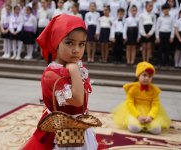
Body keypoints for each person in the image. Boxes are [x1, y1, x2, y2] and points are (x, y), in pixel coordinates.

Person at [22, 14, 97, 149]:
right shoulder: (52, 74)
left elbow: (83, 101)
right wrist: (74, 71)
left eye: (82, 44)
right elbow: (77, 99)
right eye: (69, 43)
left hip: (79, 127)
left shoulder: (79, 66)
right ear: (56, 42)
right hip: (59, 132)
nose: (76, 50)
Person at [113, 61, 171, 134]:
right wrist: (138, 116)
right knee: (134, 128)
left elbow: (155, 105)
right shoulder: (132, 88)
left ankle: (147, 125)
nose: (147, 78)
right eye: (144, 75)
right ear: (138, 76)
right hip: (135, 110)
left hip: (149, 111)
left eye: (149, 76)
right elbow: (130, 103)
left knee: (156, 130)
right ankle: (139, 124)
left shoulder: (154, 90)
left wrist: (151, 116)